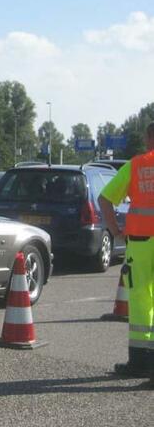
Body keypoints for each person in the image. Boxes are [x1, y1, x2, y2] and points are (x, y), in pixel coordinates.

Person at [99, 122, 154, 381]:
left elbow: (105, 198)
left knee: (142, 299)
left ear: (148, 137)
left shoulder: (137, 165)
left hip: (141, 243)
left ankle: (141, 362)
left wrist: (115, 229)